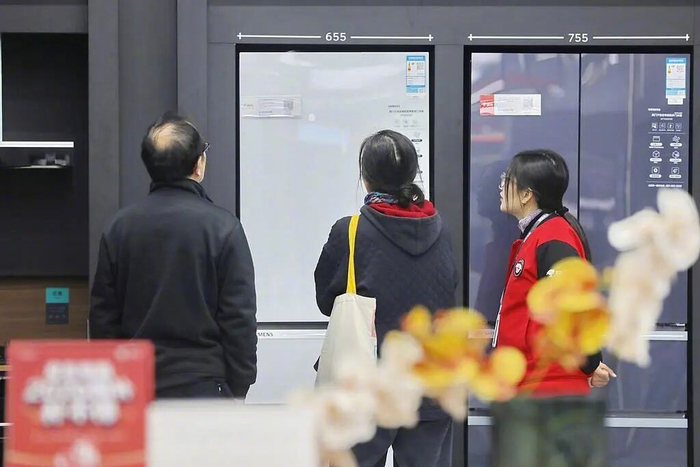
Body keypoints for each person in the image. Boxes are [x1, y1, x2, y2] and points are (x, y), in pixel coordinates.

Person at [315, 130, 458, 467]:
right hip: (430, 386)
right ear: (412, 174)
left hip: (368, 386)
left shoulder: (349, 231)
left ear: (365, 177)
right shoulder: (441, 231)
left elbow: (325, 300)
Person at [90, 112, 257, 399]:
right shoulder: (224, 228)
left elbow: (103, 319)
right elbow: (239, 318)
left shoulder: (119, 228)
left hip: (135, 387)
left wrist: (113, 385)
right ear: (198, 164)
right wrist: (238, 386)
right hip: (205, 387)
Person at [493, 149, 615, 395]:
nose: (500, 187)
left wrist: (591, 363)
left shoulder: (554, 237)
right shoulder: (539, 234)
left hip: (547, 386)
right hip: (533, 382)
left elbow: (574, 306)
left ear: (526, 194)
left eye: (506, 179)